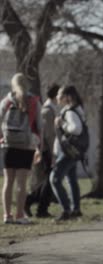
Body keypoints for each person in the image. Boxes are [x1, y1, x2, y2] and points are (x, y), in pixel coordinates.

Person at [1, 73, 42, 224]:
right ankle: (19, 215)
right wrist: (40, 146)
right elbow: (39, 125)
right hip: (26, 146)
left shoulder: (6, 101)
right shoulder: (33, 101)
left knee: (8, 181)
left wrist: (2, 138)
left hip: (8, 144)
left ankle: (7, 215)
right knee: (21, 183)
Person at [49, 85, 85, 221]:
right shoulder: (77, 109)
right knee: (71, 179)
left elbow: (77, 129)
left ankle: (66, 210)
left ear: (67, 97)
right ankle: (75, 209)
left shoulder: (69, 112)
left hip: (68, 152)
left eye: (60, 95)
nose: (57, 97)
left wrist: (62, 124)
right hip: (72, 151)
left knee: (55, 179)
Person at [24, 84, 60, 218]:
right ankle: (37, 206)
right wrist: (53, 153)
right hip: (47, 150)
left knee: (49, 180)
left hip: (48, 150)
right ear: (56, 95)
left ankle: (37, 205)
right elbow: (48, 135)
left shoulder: (52, 109)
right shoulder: (47, 111)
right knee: (50, 180)